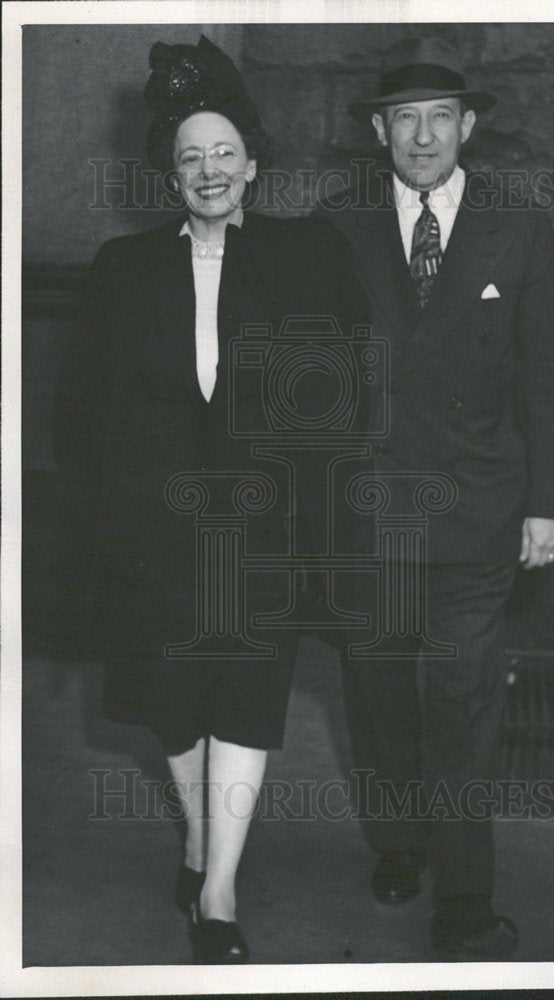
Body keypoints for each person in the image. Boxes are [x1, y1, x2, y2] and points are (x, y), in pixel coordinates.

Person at [54, 35, 367, 965]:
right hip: (153, 533)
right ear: (170, 175)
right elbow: (80, 414)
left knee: (244, 696)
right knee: (174, 708)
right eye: (189, 156)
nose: (208, 170)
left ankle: (219, 890)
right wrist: (103, 526)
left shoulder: (305, 256)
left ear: (254, 165)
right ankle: (197, 835)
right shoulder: (123, 268)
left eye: (224, 152)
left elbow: (349, 386)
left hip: (265, 529)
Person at [317, 36, 554, 958]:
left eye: (439, 118)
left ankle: (464, 903)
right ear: (379, 131)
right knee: (380, 694)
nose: (421, 136)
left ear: (466, 127)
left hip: (477, 514)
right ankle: (397, 842)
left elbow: (544, 380)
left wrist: (548, 504)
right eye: (403, 120)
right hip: (368, 511)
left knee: (463, 707)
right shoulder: (335, 224)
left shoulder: (518, 225)